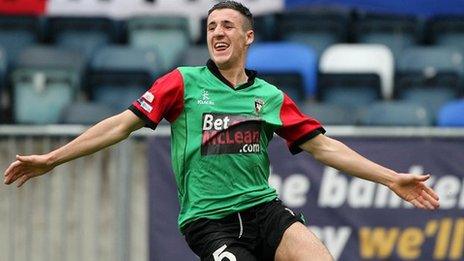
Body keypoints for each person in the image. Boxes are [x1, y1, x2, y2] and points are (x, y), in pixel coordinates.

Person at [4, 1, 440, 260]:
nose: (217, 32)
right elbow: (120, 125)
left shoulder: (269, 96)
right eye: (211, 26)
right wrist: (51, 158)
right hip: (209, 222)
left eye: (227, 25)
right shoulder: (182, 82)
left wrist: (390, 178)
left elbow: (325, 148)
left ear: (248, 37)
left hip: (264, 211)